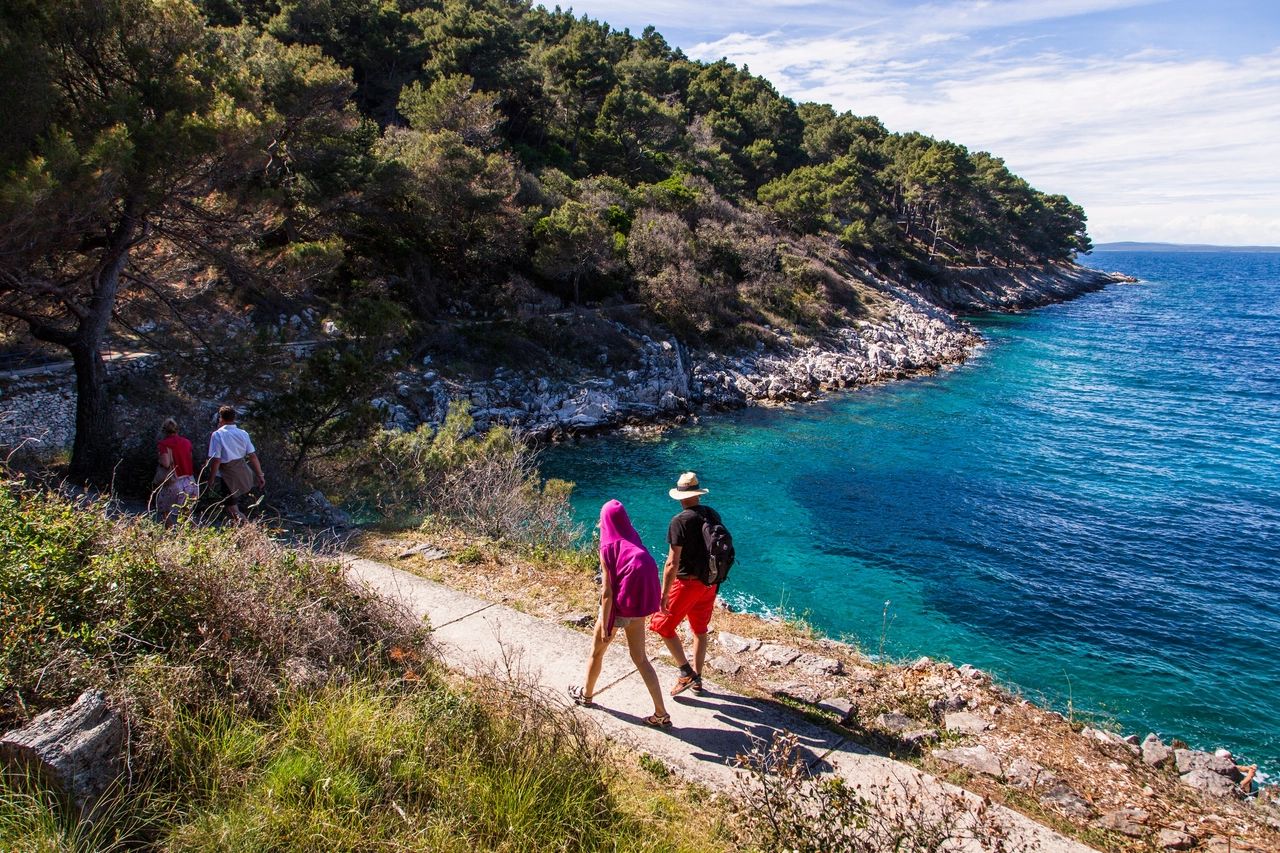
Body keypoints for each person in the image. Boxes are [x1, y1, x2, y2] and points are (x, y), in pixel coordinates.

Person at [569, 500, 672, 728]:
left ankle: (586, 696)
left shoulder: (607, 547)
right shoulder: (633, 538)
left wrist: (607, 625)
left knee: (596, 653)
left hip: (619, 607)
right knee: (641, 659)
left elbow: (607, 592)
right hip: (638, 605)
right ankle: (661, 713)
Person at [649, 472, 723, 696]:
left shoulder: (679, 521)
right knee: (699, 629)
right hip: (709, 582)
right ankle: (697, 680)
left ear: (680, 497)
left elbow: (672, 562)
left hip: (687, 584)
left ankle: (687, 673)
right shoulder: (712, 514)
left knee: (661, 625)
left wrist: (664, 594)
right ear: (698, 494)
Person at [207, 406, 265, 523]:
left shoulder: (217, 435)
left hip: (228, 473)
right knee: (231, 506)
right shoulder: (243, 433)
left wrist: (211, 478)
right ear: (235, 418)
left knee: (231, 508)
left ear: (220, 418)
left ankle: (249, 531)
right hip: (243, 471)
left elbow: (216, 459)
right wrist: (260, 475)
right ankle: (238, 534)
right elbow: (252, 455)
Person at [155, 418, 198, 529]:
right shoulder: (187, 442)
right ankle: (194, 534)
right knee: (186, 512)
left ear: (164, 430)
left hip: (174, 481)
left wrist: (159, 459)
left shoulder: (163, 444)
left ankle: (169, 536)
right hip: (190, 481)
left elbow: (166, 463)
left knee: (165, 509)